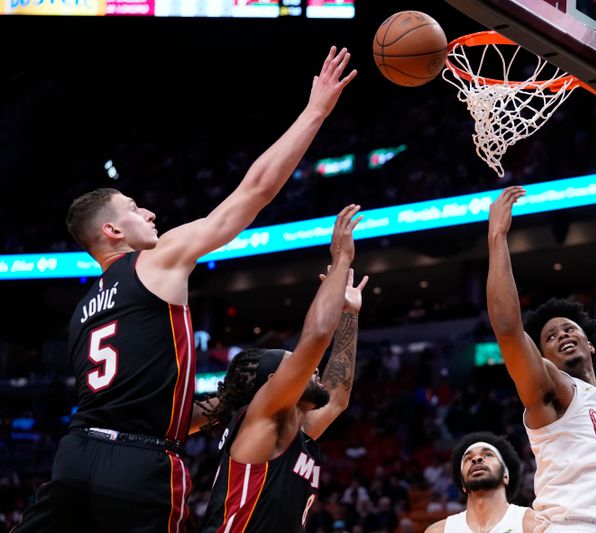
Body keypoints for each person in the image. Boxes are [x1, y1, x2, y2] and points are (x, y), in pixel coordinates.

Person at [13, 46, 357, 533]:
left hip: (73, 457)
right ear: (112, 231)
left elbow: (143, 399)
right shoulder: (155, 261)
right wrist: (315, 111)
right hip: (139, 463)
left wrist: (222, 406)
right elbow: (251, 193)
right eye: (135, 208)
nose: (149, 213)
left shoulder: (84, 310)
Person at [200, 204, 366, 533]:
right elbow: (318, 335)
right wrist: (341, 261)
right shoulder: (261, 419)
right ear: (275, 383)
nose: (312, 369)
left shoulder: (292, 432)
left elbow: (336, 400)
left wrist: (349, 313)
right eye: (297, 364)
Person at [485, 186, 596, 532]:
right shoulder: (555, 388)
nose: (563, 335)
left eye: (568, 329)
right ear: (542, 358)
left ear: (590, 343)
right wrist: (497, 237)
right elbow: (508, 330)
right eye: (550, 338)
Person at [425, 431, 536, 533]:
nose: (476, 459)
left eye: (488, 454)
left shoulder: (532, 523)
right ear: (463, 484)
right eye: (468, 458)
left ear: (505, 475)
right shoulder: (438, 531)